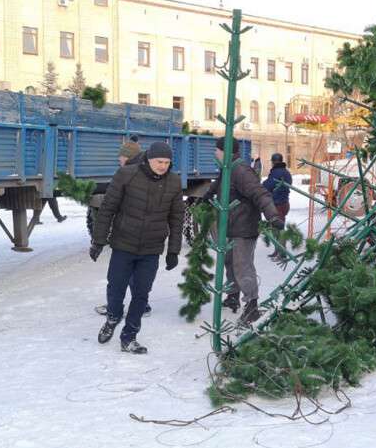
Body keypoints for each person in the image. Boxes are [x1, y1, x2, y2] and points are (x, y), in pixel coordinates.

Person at [91, 141, 185, 354]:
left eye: (167, 162)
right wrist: (98, 240)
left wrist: (173, 251)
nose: (163, 166)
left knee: (141, 294)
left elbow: (177, 217)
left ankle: (129, 337)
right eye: (159, 162)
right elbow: (108, 208)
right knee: (116, 288)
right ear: (149, 159)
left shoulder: (173, 181)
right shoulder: (127, 175)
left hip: (151, 248)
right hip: (124, 243)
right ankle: (113, 316)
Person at [202, 138, 284, 322]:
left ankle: (252, 305)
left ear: (225, 152)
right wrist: (207, 195)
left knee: (242, 265)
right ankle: (233, 296)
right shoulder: (228, 168)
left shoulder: (241, 171)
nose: (215, 153)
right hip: (230, 227)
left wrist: (273, 215)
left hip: (243, 227)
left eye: (217, 150)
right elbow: (219, 184)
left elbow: (260, 193)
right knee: (230, 262)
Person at [94, 137, 150, 318]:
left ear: (127, 157)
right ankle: (140, 305)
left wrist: (100, 239)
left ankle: (117, 308)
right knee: (134, 272)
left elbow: (111, 206)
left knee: (120, 274)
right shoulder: (144, 171)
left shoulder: (127, 174)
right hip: (141, 233)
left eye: (121, 156)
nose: (119, 159)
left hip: (129, 233)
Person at [263, 152, 292, 222]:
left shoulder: (276, 172)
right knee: (280, 223)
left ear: (273, 162)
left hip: (277, 204)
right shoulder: (286, 172)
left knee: (276, 227)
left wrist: (261, 185)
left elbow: (268, 185)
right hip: (285, 203)